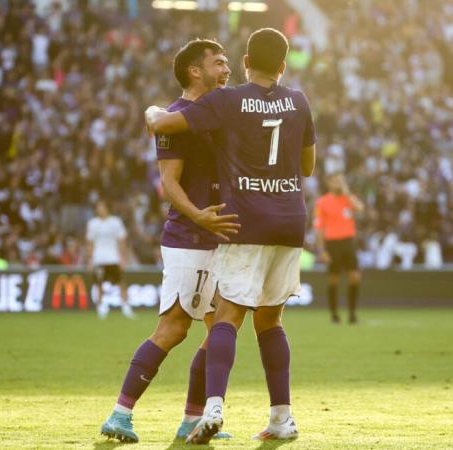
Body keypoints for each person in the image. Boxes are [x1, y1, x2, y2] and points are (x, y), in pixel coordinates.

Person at [145, 27, 316, 444]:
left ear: (244, 63)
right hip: (291, 220)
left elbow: (163, 124)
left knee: (227, 317)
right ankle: (281, 419)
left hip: (246, 222)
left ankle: (214, 406)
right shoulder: (298, 101)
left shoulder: (229, 100)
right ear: (282, 65)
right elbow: (307, 167)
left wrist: (151, 112)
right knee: (271, 320)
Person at [100, 39, 239, 443]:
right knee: (174, 328)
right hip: (190, 237)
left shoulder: (216, 110)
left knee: (220, 333)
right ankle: (119, 414)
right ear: (195, 70)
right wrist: (198, 215)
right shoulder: (176, 117)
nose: (227, 68)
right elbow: (169, 182)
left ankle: (191, 419)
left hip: (220, 237)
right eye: (219, 61)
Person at [314, 172, 364, 323]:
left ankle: (352, 313)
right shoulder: (322, 202)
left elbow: (360, 208)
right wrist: (321, 250)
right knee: (333, 280)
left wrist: (347, 193)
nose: (339, 183)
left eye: (341, 181)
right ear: (329, 183)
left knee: (354, 277)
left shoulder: (348, 198)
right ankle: (334, 315)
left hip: (348, 242)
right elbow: (318, 228)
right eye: (336, 181)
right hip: (332, 243)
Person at [86, 199, 134, 319]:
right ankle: (101, 307)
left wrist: (123, 258)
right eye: (98, 207)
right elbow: (90, 243)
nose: (99, 209)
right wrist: (90, 259)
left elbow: (122, 241)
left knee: (121, 282)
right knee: (99, 284)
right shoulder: (93, 223)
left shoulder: (115, 222)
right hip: (99, 259)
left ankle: (125, 306)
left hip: (114, 258)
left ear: (107, 208)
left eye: (101, 207)